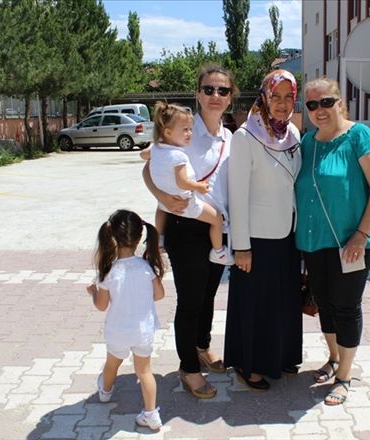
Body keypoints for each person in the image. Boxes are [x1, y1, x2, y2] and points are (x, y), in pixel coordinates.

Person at [141, 63, 237, 399]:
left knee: (208, 294)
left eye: (222, 90)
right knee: (191, 300)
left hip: (218, 226)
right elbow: (147, 165)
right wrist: (161, 195)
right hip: (186, 227)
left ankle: (201, 346)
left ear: (230, 97)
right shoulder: (182, 130)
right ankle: (188, 368)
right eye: (208, 89)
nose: (215, 95)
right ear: (198, 94)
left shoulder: (231, 137)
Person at [295, 77, 370, 405]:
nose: (319, 110)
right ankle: (334, 358)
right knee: (324, 303)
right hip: (314, 242)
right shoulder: (308, 142)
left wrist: (361, 235)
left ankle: (345, 376)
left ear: (340, 103)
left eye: (326, 102)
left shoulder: (359, 136)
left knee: (347, 308)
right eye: (312, 104)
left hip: (351, 245)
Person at [225, 69, 303, 391]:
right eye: (276, 96)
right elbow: (237, 194)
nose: (282, 104)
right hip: (256, 238)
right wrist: (241, 246)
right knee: (256, 304)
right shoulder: (246, 136)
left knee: (284, 300)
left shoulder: (292, 133)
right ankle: (250, 365)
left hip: (288, 233)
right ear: (264, 97)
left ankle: (281, 356)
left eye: (288, 97)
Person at [86, 209, 165, 431]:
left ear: (112, 237)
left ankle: (105, 392)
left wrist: (93, 292)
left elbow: (101, 306)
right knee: (145, 371)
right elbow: (159, 295)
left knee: (112, 364)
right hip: (143, 330)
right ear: (139, 237)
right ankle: (151, 415)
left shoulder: (109, 271)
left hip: (118, 331)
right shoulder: (147, 267)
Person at [143, 101, 233, 265]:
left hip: (172, 205)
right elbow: (182, 181)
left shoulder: (159, 147)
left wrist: (153, 152)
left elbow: (144, 155)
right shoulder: (179, 152)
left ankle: (158, 238)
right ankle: (219, 252)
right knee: (217, 219)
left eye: (223, 91)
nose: (189, 134)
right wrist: (199, 186)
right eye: (185, 130)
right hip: (187, 207)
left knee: (160, 209)